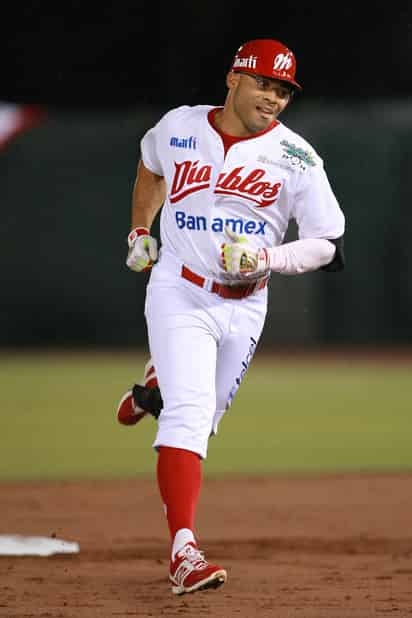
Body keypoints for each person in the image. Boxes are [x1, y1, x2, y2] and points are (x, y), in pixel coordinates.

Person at [117, 38, 345, 596]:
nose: (274, 98)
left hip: (246, 304)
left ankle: (156, 386)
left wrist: (267, 257)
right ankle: (184, 552)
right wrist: (141, 231)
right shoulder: (179, 126)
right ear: (233, 79)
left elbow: (330, 245)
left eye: (284, 90)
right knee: (190, 419)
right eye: (265, 83)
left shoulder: (297, 158)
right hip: (178, 289)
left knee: (207, 411)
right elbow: (150, 169)